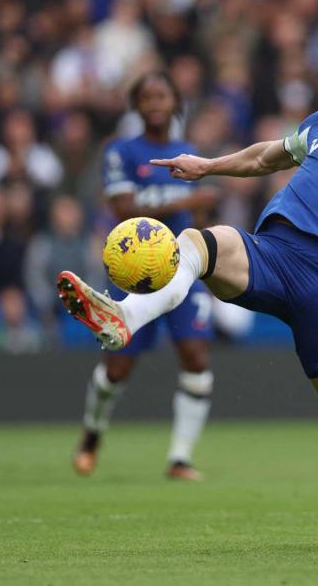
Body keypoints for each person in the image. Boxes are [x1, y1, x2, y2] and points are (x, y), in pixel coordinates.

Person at [58, 49, 318, 545]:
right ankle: (125, 315)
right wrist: (206, 165)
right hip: (274, 253)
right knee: (200, 243)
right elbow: (265, 157)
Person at [69, 71, 218, 482]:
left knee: (196, 357)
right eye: (147, 97)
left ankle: (180, 458)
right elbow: (123, 210)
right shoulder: (121, 150)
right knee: (117, 370)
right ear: (136, 105)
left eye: (162, 95)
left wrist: (201, 211)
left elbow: (199, 213)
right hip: (135, 272)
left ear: (175, 102)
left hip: (183, 270)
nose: (155, 103)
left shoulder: (187, 150)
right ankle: (92, 434)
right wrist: (192, 198)